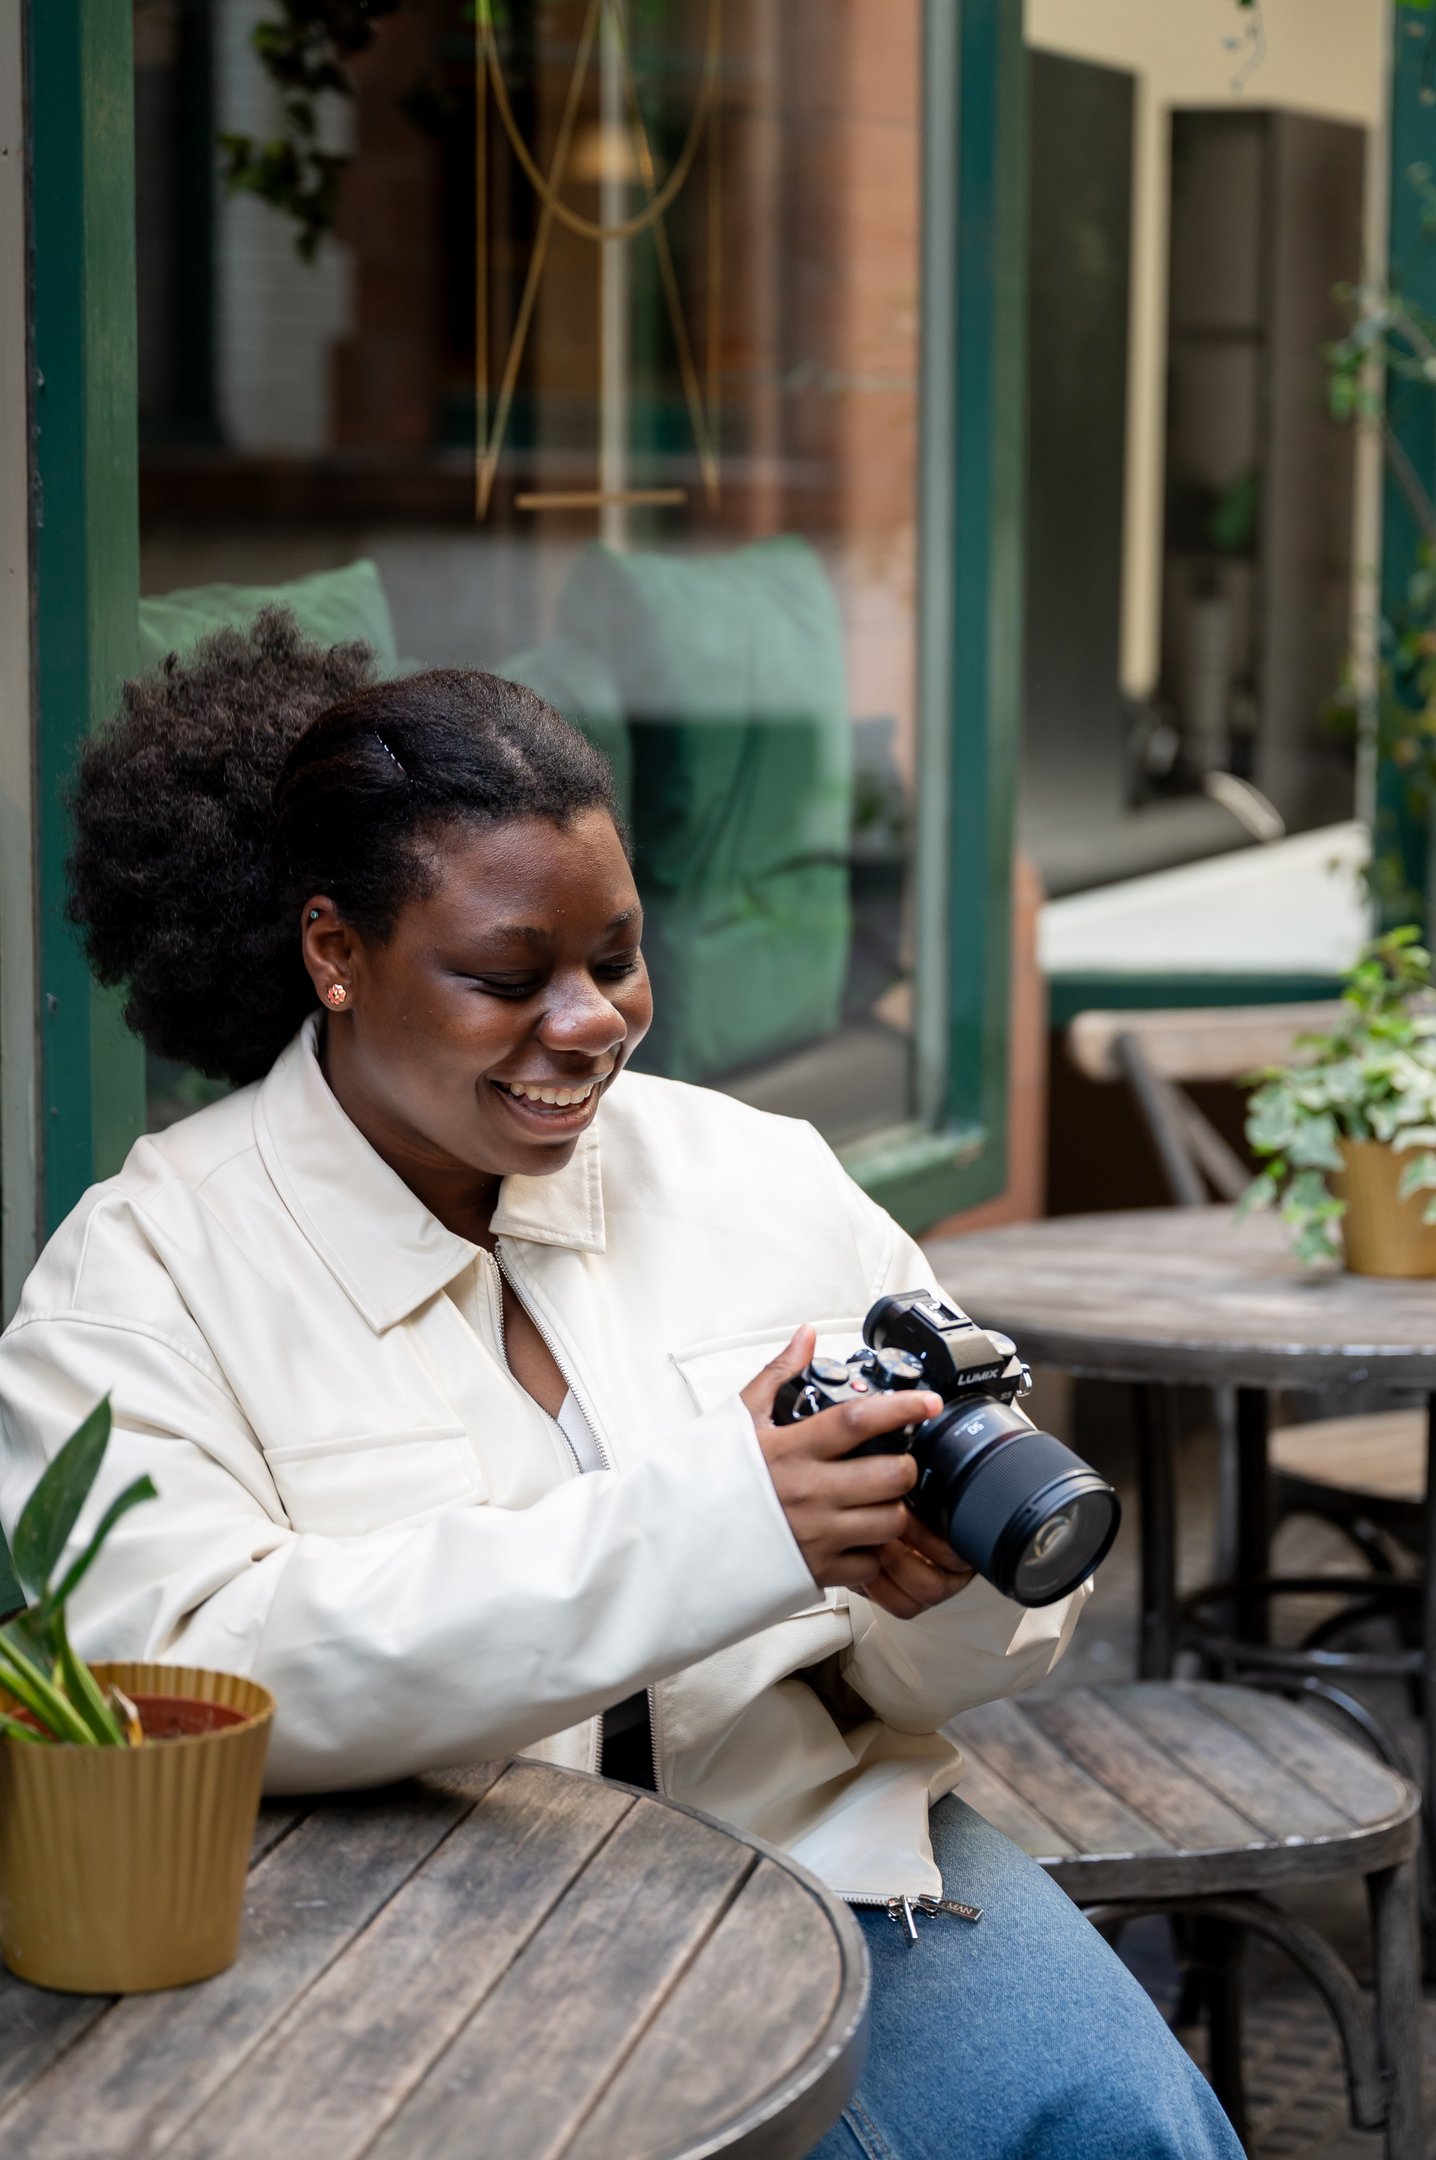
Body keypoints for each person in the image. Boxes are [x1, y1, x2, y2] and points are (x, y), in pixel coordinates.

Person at [0, 613, 1239, 2159]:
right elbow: (187, 1669)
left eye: (616, 958)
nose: (590, 1026)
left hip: (824, 1860)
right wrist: (732, 1522)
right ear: (335, 951)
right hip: (404, 1948)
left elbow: (949, 1649)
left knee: (1122, 2129)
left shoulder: (755, 1176)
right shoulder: (148, 1270)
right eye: (506, 974)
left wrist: (949, 1595)